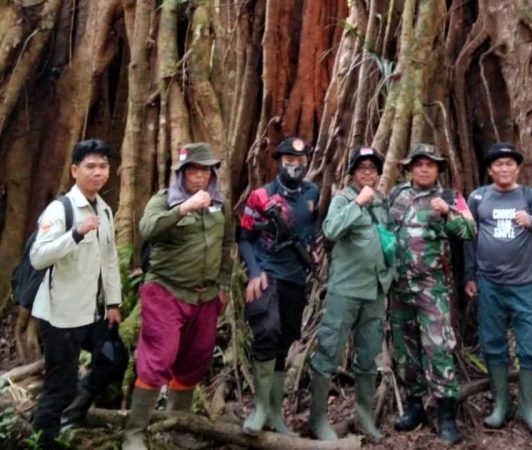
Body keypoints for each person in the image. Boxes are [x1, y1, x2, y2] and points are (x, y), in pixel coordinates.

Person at [122, 143, 235, 450]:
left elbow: (227, 245)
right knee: (159, 357)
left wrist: (223, 285)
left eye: (205, 170)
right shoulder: (164, 200)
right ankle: (135, 433)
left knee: (195, 358)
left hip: (206, 295)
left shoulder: (220, 204)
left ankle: (176, 427)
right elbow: (147, 228)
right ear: (181, 174)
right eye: (193, 170)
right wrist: (183, 208)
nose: (200, 176)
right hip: (166, 290)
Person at [30, 140, 127, 449]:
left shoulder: (105, 210)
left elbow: (110, 259)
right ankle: (43, 438)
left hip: (92, 313)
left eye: (103, 167)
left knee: (115, 358)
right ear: (74, 170)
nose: (98, 173)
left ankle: (72, 415)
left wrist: (113, 302)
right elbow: (38, 256)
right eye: (90, 166)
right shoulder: (61, 209)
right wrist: (75, 233)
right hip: (60, 317)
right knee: (59, 385)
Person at [464, 143, 532, 438]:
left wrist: (531, 221)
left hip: (526, 283)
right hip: (489, 282)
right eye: (498, 164)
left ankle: (527, 408)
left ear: (517, 168)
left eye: (509, 163)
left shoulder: (530, 196)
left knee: (531, 344)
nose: (504, 168)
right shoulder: (478, 197)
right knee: (492, 343)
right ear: (490, 169)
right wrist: (470, 275)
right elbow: (468, 238)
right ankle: (501, 404)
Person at [388, 143, 475, 445]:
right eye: (418, 164)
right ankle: (414, 406)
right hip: (400, 288)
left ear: (438, 169)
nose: (424, 168)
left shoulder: (450, 197)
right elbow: (385, 231)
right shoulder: (397, 196)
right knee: (406, 350)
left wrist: (448, 212)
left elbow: (469, 231)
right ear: (410, 168)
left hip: (433, 288)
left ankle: (447, 414)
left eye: (430, 164)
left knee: (438, 348)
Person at [308, 146, 394, 441]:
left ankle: (363, 415)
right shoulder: (343, 200)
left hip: (375, 290)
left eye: (372, 168)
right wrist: (358, 203)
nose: (367, 172)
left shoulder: (383, 203)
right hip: (345, 290)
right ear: (352, 172)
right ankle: (318, 420)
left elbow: (390, 241)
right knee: (330, 350)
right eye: (361, 168)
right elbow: (330, 231)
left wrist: (390, 274)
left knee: (369, 355)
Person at [238, 137, 320, 436]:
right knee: (266, 331)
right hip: (267, 275)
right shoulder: (261, 196)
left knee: (284, 342)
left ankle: (275, 413)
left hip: (295, 278)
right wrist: (254, 271)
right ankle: (259, 408)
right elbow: (245, 238)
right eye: (289, 160)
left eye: (299, 161)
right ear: (279, 161)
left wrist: (313, 250)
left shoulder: (313, 192)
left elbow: (312, 229)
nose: (294, 166)